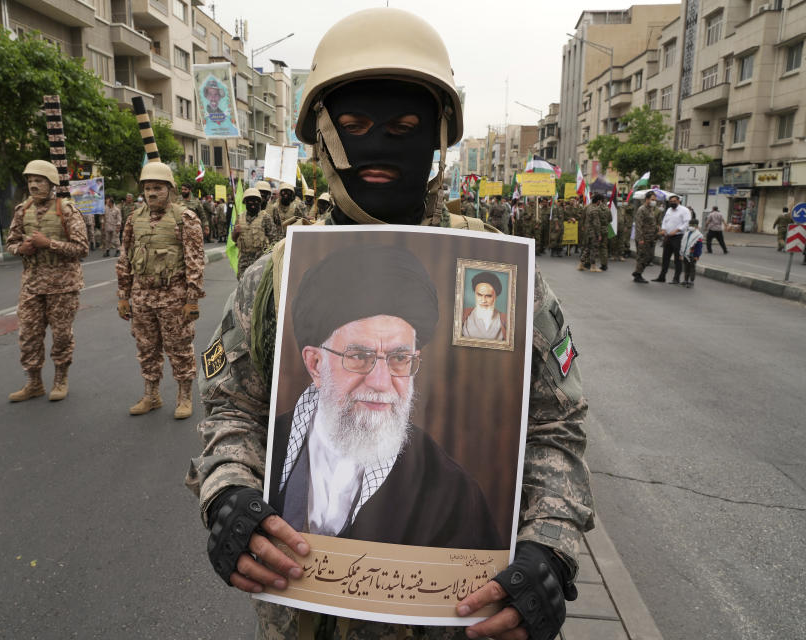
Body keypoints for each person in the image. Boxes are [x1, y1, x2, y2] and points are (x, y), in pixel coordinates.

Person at [187, 9, 592, 640]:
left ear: (437, 137)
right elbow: (231, 409)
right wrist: (228, 492)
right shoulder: (272, 277)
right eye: (353, 129)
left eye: (405, 129)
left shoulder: (501, 269)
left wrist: (550, 548)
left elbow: (554, 426)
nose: (379, 150)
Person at [269, 244, 503, 548]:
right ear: (315, 364)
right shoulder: (264, 447)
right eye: (358, 356)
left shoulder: (451, 493)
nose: (381, 383)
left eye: (400, 358)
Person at [116, 161, 205, 419]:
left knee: (179, 347)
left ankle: (184, 396)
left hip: (173, 296)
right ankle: (151, 395)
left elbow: (195, 261)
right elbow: (125, 258)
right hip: (142, 295)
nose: (151, 193)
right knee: (146, 347)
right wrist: (123, 295)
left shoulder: (184, 218)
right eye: (147, 188)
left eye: (158, 187)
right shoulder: (134, 219)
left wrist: (192, 300)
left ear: (170, 189)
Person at [5, 159, 88, 402]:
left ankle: (61, 378)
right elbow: (11, 243)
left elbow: (82, 248)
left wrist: (49, 244)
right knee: (29, 335)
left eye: (39, 180)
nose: (34, 185)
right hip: (32, 283)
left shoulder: (67, 210)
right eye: (30, 180)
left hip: (63, 285)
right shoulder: (23, 210)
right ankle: (34, 382)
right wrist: (22, 248)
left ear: (51, 183)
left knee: (61, 335)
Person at [231, 187, 277, 279]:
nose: (253, 204)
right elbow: (233, 239)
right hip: (244, 260)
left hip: (260, 259)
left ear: (259, 202)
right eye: (250, 201)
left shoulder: (265, 218)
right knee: (243, 286)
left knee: (258, 287)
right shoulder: (240, 218)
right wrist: (235, 232)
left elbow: (274, 240)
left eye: (256, 201)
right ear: (245, 202)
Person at [653, 194, 691, 284]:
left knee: (678, 259)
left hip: (678, 237)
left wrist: (677, 230)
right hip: (668, 237)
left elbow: (687, 223)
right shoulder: (669, 210)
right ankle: (662, 277)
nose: (672, 203)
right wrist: (663, 229)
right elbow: (665, 221)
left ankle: (676, 278)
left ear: (678, 201)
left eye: (674, 201)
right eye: (671, 202)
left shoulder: (684, 210)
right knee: (665, 257)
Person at [461, 271, 507, 340]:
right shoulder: (462, 314)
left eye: (488, 296)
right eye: (479, 295)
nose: (483, 300)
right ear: (475, 294)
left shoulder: (506, 320)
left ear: (495, 297)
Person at [632, 191, 659, 283]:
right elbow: (638, 225)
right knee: (642, 256)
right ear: (647, 199)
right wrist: (640, 239)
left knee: (650, 257)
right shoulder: (642, 209)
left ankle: (637, 272)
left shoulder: (651, 209)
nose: (654, 201)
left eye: (655, 200)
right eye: (652, 199)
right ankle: (638, 275)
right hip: (643, 238)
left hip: (651, 237)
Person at [578, 193, 605, 272]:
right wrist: (599, 234)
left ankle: (581, 264)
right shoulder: (595, 209)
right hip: (593, 232)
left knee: (588, 248)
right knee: (594, 249)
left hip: (588, 231)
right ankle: (593, 266)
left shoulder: (588, 207)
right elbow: (596, 223)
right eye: (601, 201)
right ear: (598, 201)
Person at [680, 218, 704, 288]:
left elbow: (699, 246)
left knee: (692, 268)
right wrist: (681, 253)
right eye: (690, 225)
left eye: (693, 225)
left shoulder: (698, 235)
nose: (691, 226)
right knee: (686, 267)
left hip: (693, 254)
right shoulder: (687, 233)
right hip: (685, 253)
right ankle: (685, 280)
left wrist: (697, 255)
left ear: (696, 226)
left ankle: (691, 281)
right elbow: (683, 243)